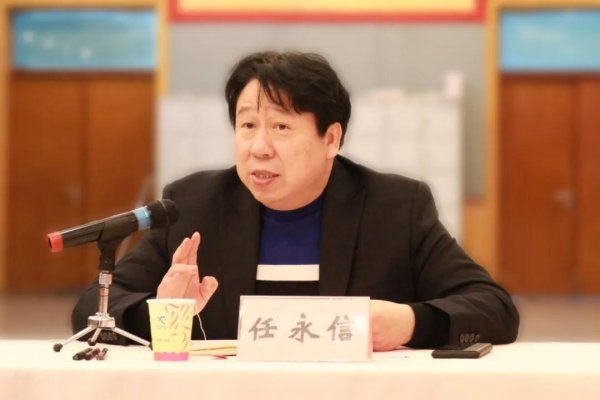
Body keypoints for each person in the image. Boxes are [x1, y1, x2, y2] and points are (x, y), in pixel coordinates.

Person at [72, 51, 519, 351]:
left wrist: (409, 323)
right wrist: (165, 314)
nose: (259, 147)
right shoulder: (195, 205)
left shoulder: (395, 207)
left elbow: (493, 308)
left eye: (281, 128)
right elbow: (93, 307)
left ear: (331, 139)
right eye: (248, 126)